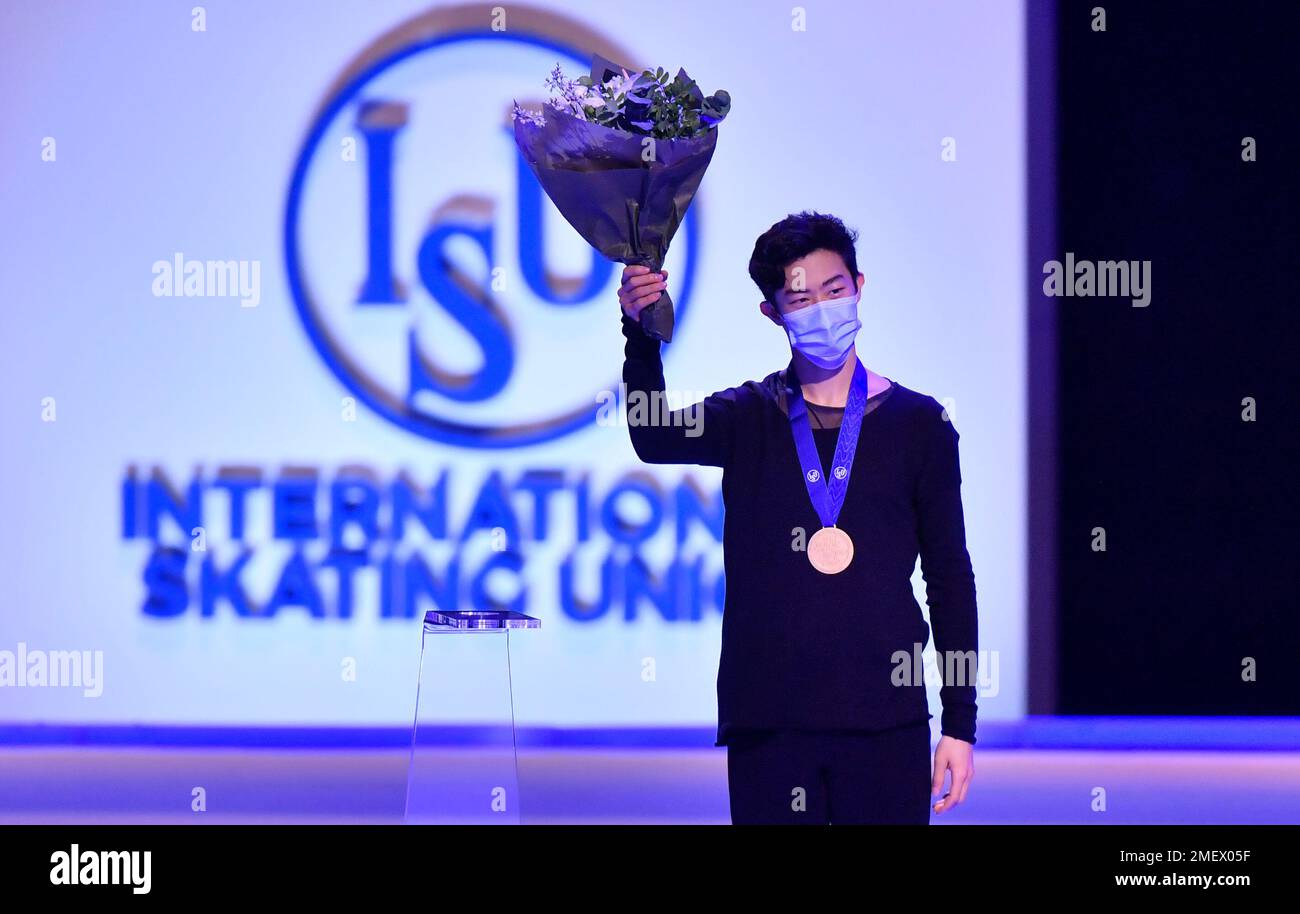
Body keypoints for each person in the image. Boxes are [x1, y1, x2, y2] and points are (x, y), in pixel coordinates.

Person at [617, 211, 977, 824]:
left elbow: (949, 579)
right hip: (770, 720)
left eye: (834, 291)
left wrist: (960, 725)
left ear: (860, 287)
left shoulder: (921, 426)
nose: (822, 310)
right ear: (774, 313)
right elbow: (653, 435)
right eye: (800, 298)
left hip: (885, 720)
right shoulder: (749, 416)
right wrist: (640, 332)